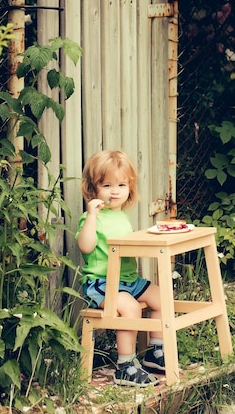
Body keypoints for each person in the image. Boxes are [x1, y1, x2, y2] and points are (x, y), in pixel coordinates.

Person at [76, 150, 165, 387]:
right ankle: (125, 365)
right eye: (107, 185)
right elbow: (85, 247)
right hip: (102, 284)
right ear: (93, 188)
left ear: (129, 188)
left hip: (128, 280)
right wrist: (91, 216)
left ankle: (155, 352)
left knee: (161, 297)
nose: (115, 191)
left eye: (121, 184)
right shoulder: (93, 218)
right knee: (130, 308)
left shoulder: (122, 216)